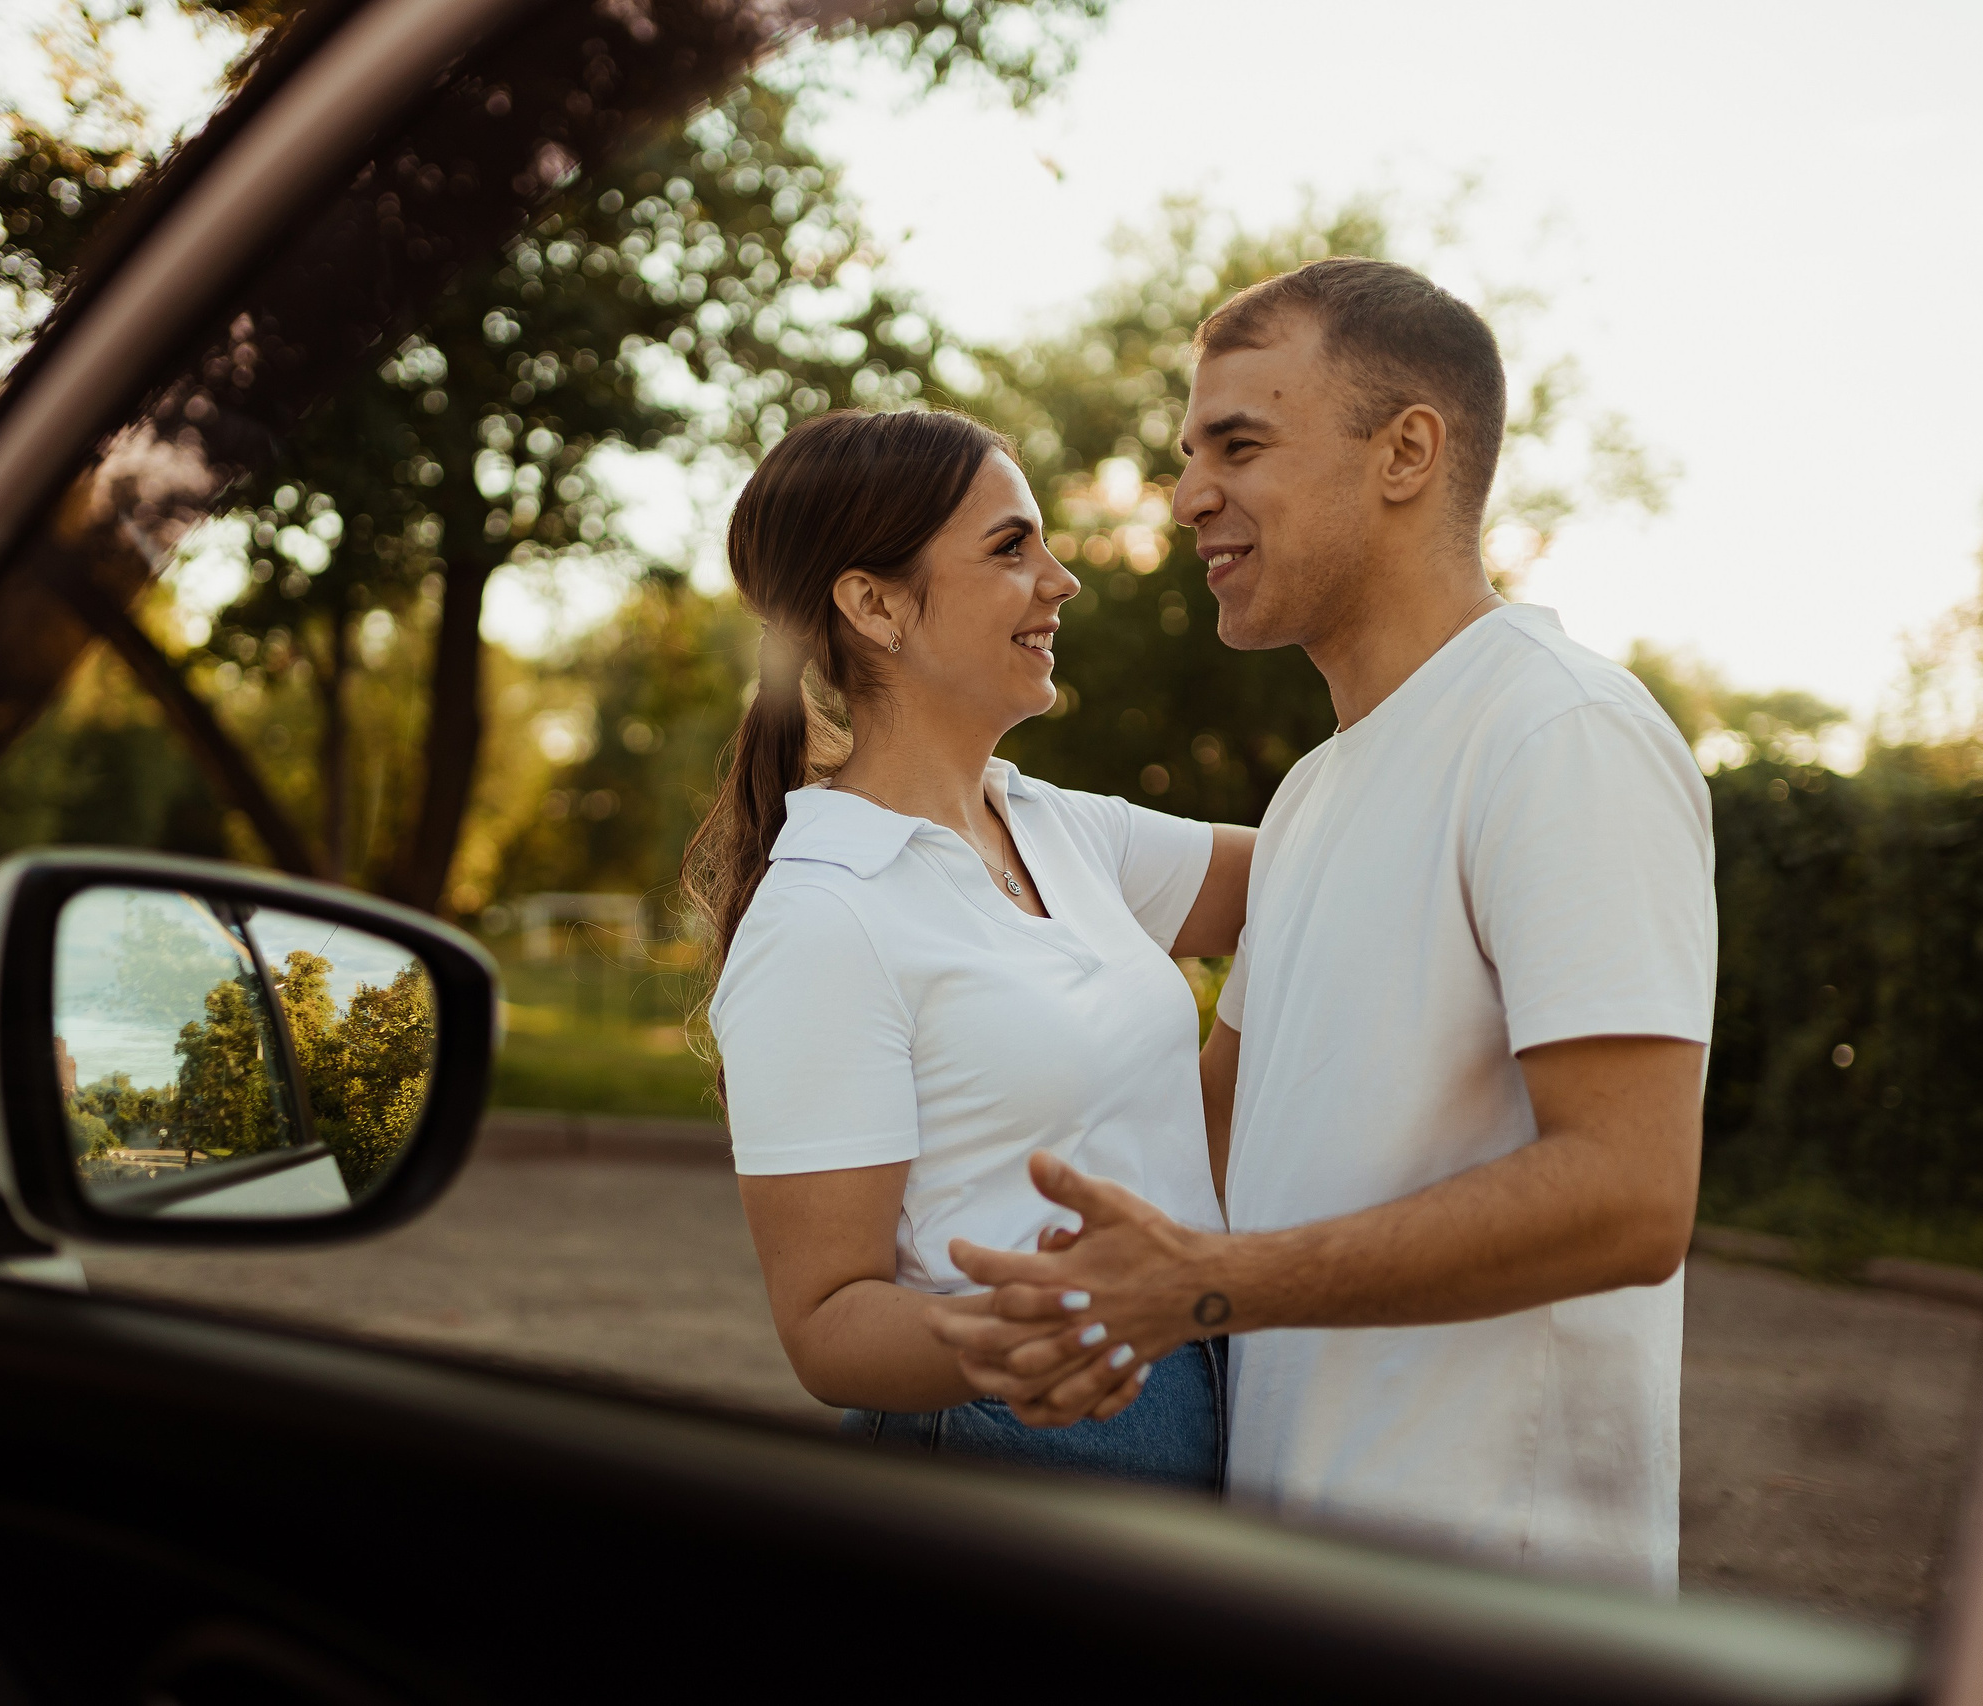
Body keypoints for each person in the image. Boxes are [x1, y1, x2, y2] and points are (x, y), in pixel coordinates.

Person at [934, 258, 1716, 1592]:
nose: (1187, 499)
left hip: (1496, 1594)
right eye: (1190, 454)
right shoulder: (1309, 796)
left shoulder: (1557, 732)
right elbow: (1212, 1152)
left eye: (1239, 445)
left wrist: (1206, 1283)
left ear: (1407, 451)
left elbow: (1631, 1196)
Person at [687, 407, 1255, 1491]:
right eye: (1009, 547)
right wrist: (1028, 1330)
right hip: (1017, 1440)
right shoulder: (824, 913)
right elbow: (825, 1323)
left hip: (1201, 1389)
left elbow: (1317, 875)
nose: (1060, 579)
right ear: (874, 604)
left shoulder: (1057, 826)